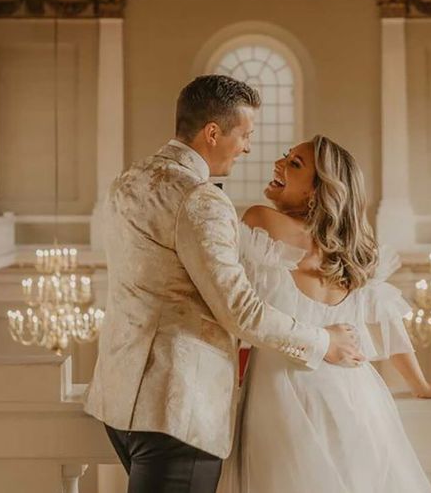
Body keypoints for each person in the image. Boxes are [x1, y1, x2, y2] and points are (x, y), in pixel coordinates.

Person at [84, 76, 364, 493]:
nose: (248, 147)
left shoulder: (127, 182)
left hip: (118, 400)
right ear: (213, 133)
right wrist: (323, 341)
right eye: (245, 135)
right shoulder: (201, 198)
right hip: (178, 406)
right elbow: (241, 311)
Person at [218, 135, 431, 493]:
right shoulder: (358, 252)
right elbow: (389, 323)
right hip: (357, 397)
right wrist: (421, 386)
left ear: (316, 192)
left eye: (294, 164)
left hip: (285, 398)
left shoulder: (261, 221)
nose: (278, 164)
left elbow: (236, 306)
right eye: (286, 157)